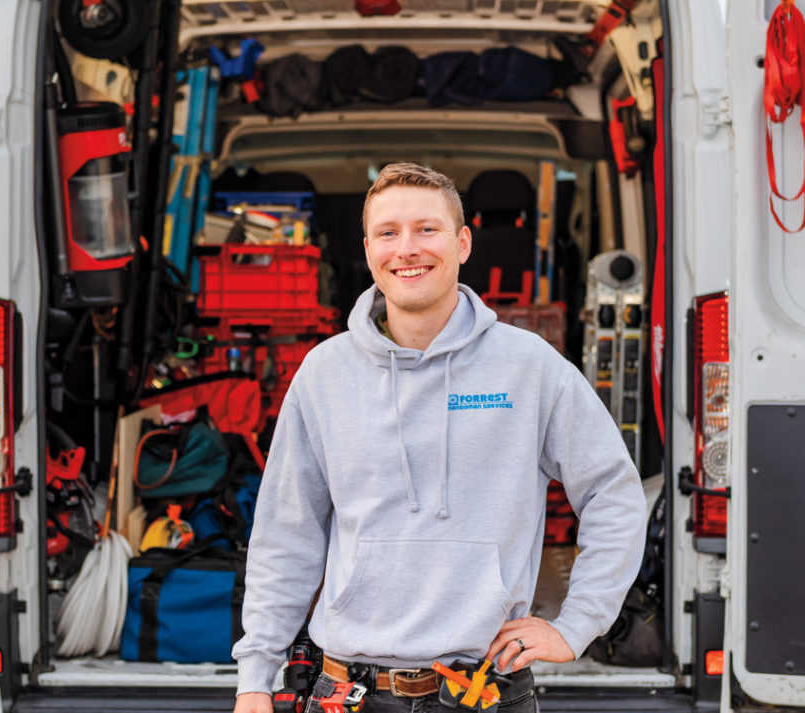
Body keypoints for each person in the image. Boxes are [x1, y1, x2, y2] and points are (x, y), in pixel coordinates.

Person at [232, 163, 647, 713]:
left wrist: (578, 623)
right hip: (348, 694)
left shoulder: (529, 367)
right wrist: (256, 678)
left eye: (427, 229)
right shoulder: (324, 374)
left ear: (463, 243)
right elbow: (287, 533)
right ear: (368, 250)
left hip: (483, 693)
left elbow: (613, 494)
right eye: (388, 232)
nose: (407, 248)